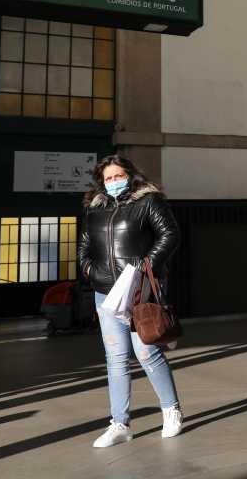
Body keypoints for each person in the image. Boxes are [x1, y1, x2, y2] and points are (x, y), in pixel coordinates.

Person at [78, 154, 183, 448]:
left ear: (130, 175)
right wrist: (88, 269)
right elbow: (85, 245)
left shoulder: (149, 202)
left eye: (118, 176)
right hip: (105, 293)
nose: (113, 183)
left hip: (139, 292)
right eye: (108, 179)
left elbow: (170, 234)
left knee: (147, 352)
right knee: (116, 359)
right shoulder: (95, 209)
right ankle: (120, 424)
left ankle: (171, 409)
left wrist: (146, 266)